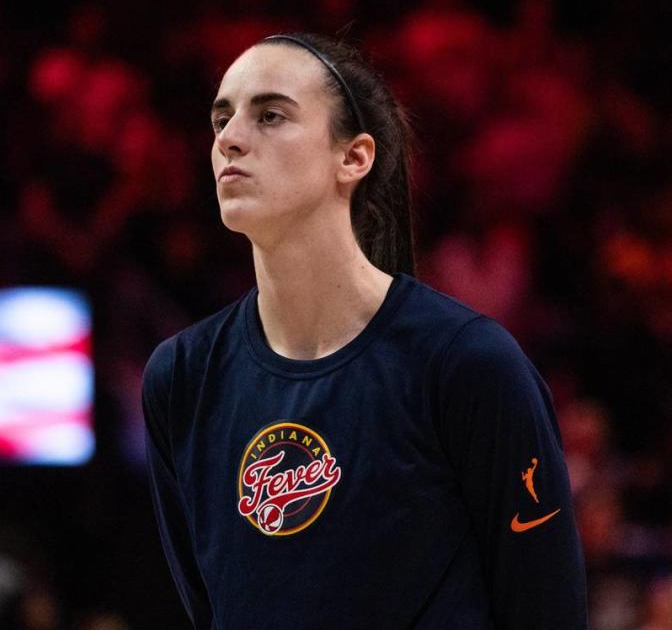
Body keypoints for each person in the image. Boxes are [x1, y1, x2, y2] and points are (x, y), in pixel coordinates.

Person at [142, 32, 587, 628]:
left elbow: (546, 607)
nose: (228, 138)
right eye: (221, 118)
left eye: (270, 114)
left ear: (353, 157)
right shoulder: (181, 379)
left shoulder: (467, 363)